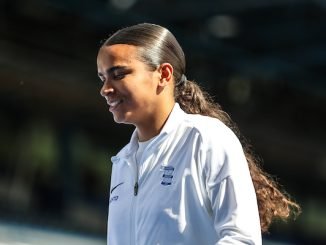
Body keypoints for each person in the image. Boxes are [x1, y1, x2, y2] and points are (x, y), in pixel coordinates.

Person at [97, 23, 300, 245]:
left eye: (118, 74)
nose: (105, 89)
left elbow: (242, 240)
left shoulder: (206, 139)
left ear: (164, 74)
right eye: (102, 78)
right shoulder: (122, 161)